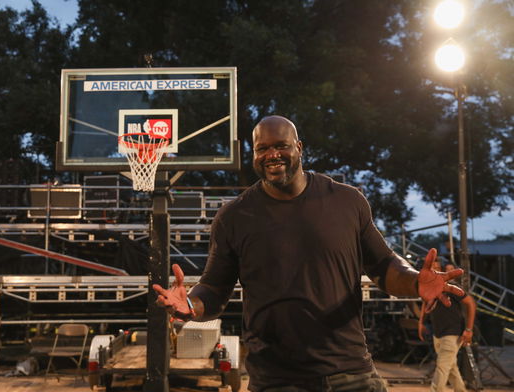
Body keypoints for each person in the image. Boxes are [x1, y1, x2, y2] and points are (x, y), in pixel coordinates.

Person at [153, 115, 464, 392]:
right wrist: (192, 304)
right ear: (254, 155)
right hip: (275, 378)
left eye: (281, 146)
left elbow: (384, 266)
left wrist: (414, 282)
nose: (272, 155)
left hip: (349, 372)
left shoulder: (347, 202)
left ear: (299, 147)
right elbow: (215, 289)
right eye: (262, 149)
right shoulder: (234, 216)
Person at [418, 259, 476, 392]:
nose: (434, 270)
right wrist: (421, 322)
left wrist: (469, 329)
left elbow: (471, 303)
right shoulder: (430, 286)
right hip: (437, 333)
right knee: (451, 368)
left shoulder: (452, 287)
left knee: (442, 367)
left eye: (436, 267)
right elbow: (424, 302)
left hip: (452, 332)